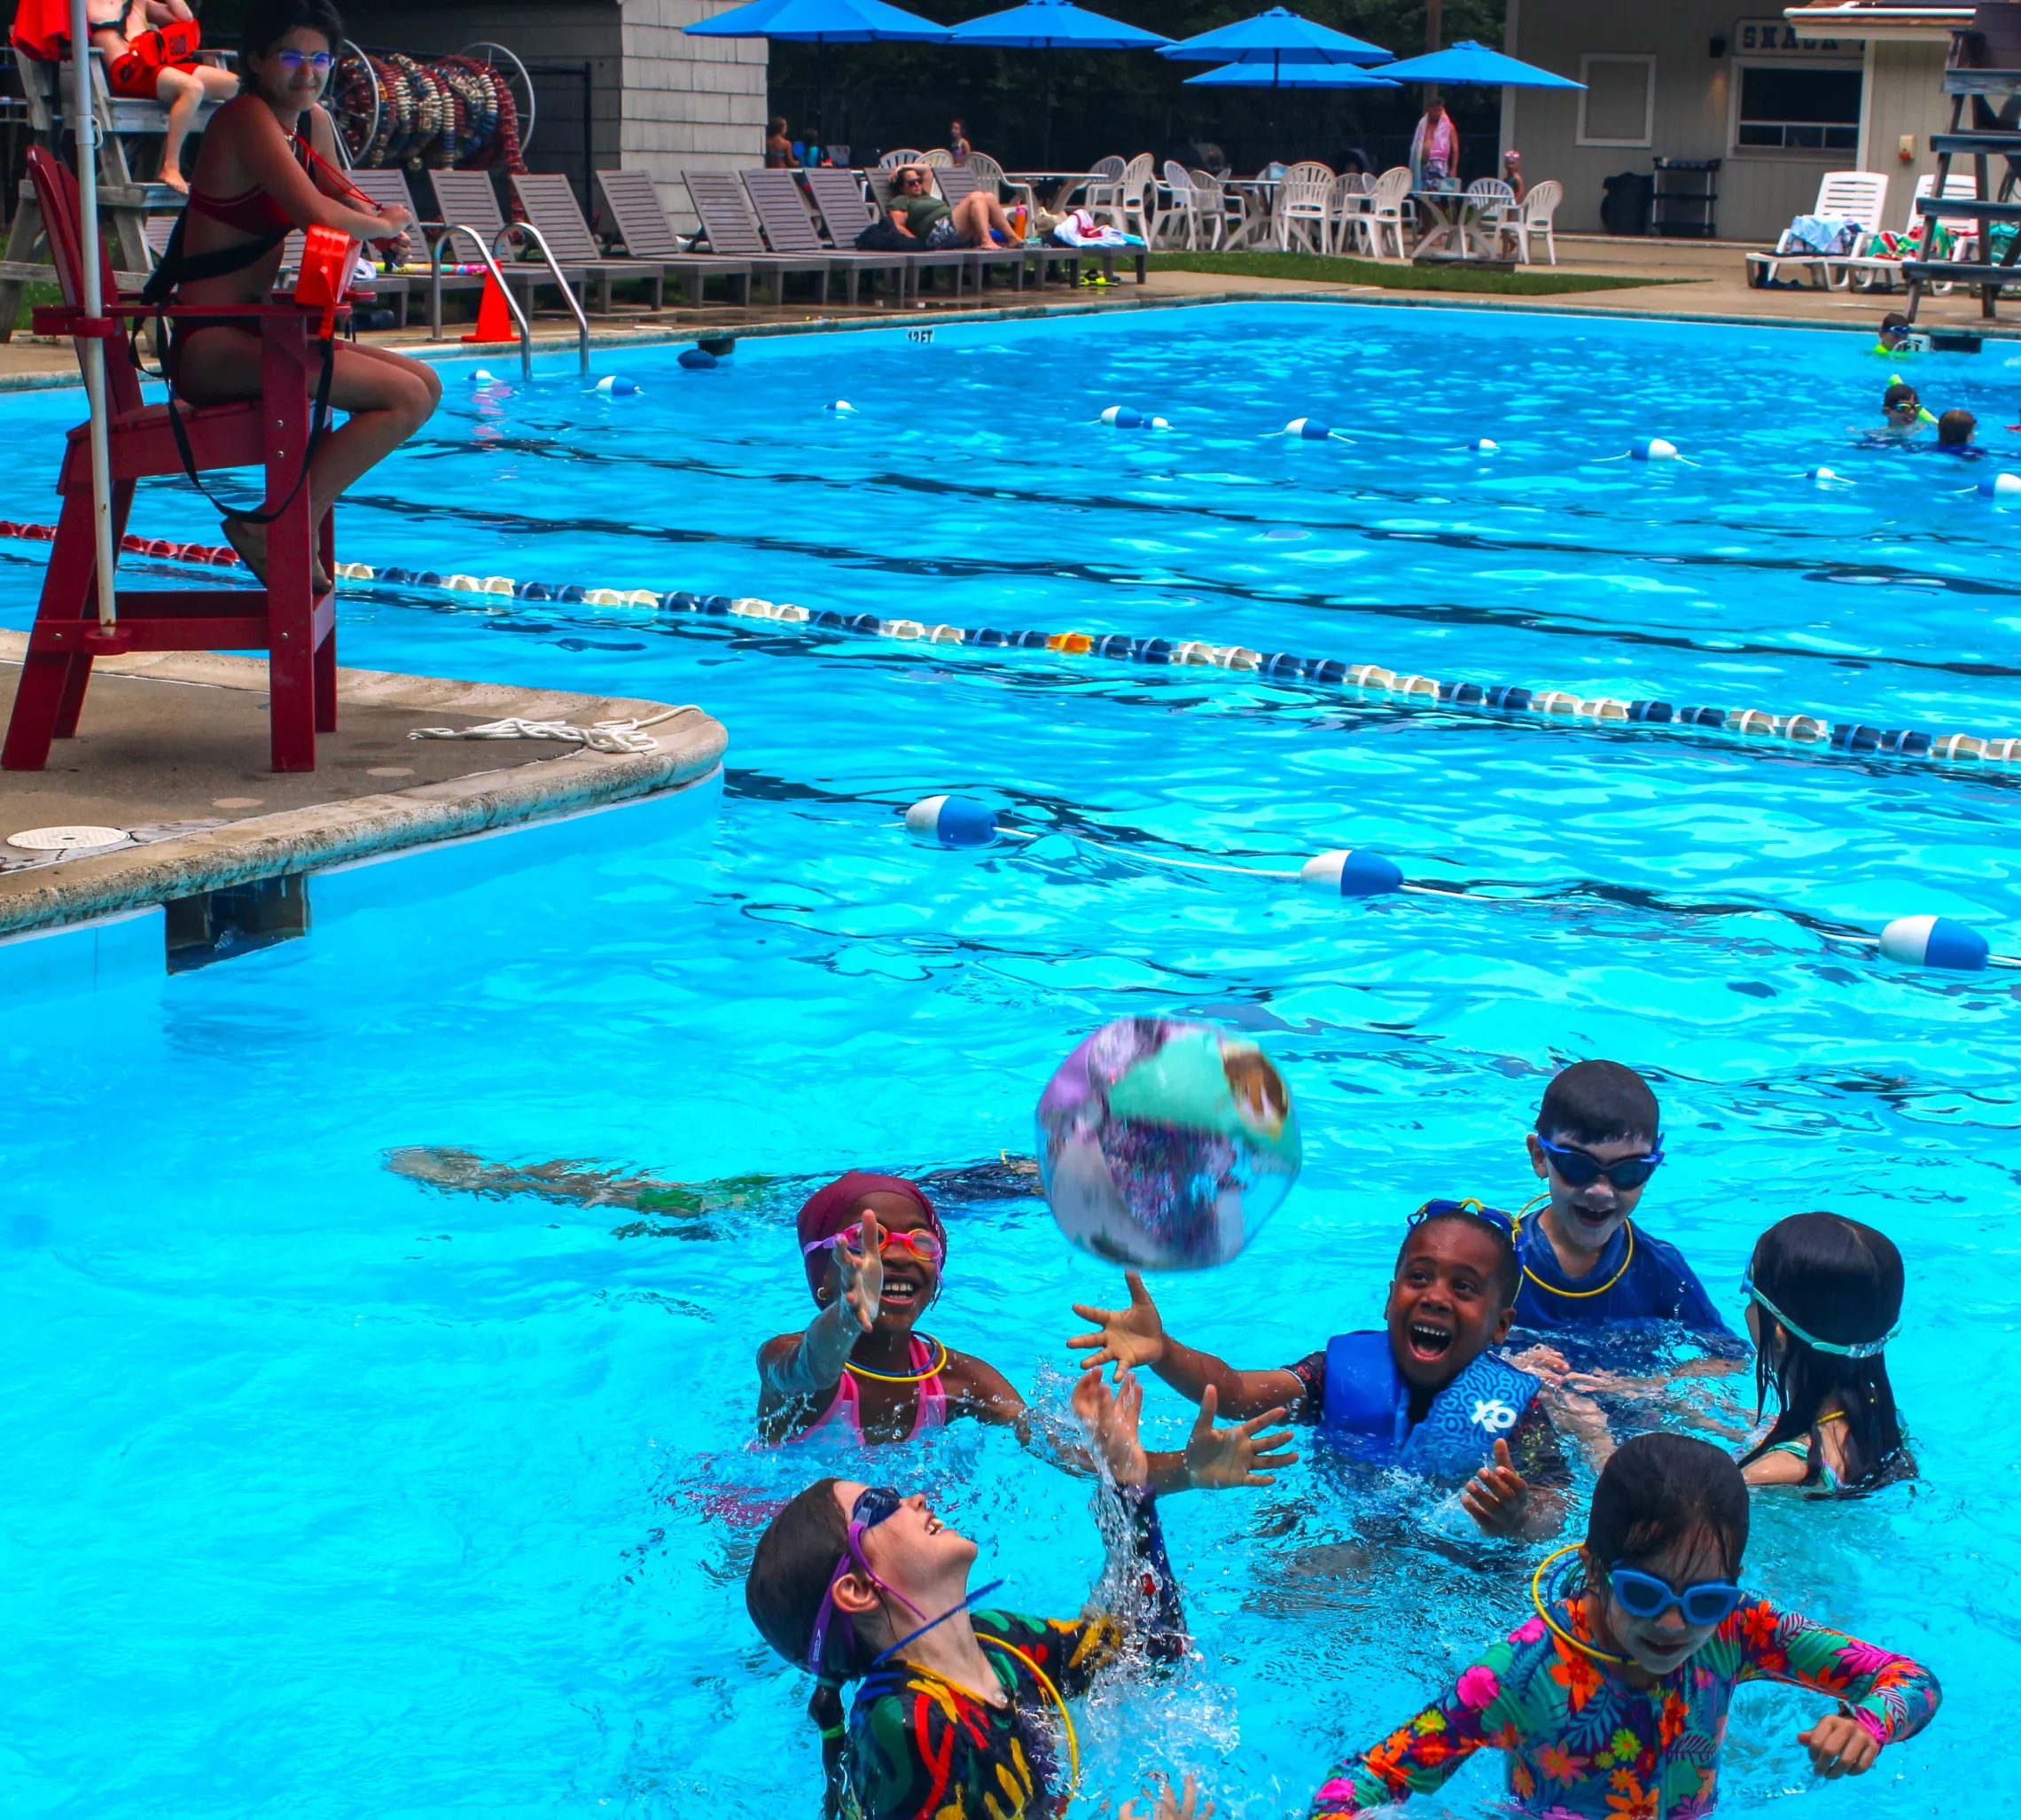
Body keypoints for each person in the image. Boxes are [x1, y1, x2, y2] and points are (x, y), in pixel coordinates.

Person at [1308, 1432, 1942, 1816]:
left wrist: (1868, 1724)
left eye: (1703, 1599)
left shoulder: (1736, 1626)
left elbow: (1910, 1678)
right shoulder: (1521, 1674)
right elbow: (1356, 1787)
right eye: (1643, 1593)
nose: (1674, 1622)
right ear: (1595, 1569)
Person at [745, 1367, 1190, 1820]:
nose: (914, 1499)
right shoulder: (907, 1727)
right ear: (858, 1589)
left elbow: (1151, 1652)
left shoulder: (998, 1641)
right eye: (878, 1505)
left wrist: (1129, 1492)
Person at [761, 1170, 1298, 1496]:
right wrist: (848, 1313)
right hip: (774, 1537)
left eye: (920, 1242)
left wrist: (1186, 1469)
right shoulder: (783, 1358)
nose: (897, 1258)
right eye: (869, 1243)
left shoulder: (960, 1379)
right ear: (823, 1279)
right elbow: (815, 1365)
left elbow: (1063, 1451)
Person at [1068, 1202, 1574, 1537]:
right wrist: (1163, 1350)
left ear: (1501, 1325)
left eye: (1464, 1288)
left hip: (1455, 1561)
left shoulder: (1519, 1410)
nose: (1435, 1297)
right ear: (1389, 1299)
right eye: (1419, 1278)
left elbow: (1556, 1505)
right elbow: (1235, 1391)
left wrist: (1518, 1517)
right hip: (1345, 1531)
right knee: (1296, 1582)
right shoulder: (1334, 1374)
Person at [160, 0, 439, 585]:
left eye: (320, 59)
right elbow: (317, 214)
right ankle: (281, 523)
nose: (307, 72)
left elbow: (343, 199)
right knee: (404, 399)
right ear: (256, 61)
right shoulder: (244, 117)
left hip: (261, 332)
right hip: (211, 346)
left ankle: (284, 520)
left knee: (426, 385)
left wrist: (376, 225)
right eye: (291, 57)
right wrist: (384, 224)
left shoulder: (309, 125)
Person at [1507, 1061, 1733, 1348]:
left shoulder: (1659, 1269)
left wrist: (1650, 1378)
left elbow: (1730, 1357)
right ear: (1540, 1157)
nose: (1601, 1191)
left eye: (1628, 1171)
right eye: (1577, 1166)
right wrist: (1514, 1364)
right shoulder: (1497, 1259)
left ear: (1650, 1171)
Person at [1737, 1213, 1912, 1493]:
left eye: (1751, 1297)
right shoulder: (1883, 1419)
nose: (1747, 1309)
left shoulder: (1767, 1475)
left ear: (1779, 1336)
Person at [87, 0, 236, 191]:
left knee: (236, 85)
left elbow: (185, 18)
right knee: (192, 88)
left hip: (157, 64)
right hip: (128, 69)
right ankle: (170, 167)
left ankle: (230, 162)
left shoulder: (140, 2)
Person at [875, 163, 1019, 251]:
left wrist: (902, 167)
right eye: (911, 182)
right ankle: (986, 240)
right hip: (936, 235)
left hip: (952, 230)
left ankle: (1013, 238)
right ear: (901, 187)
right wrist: (917, 244)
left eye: (918, 180)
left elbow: (927, 169)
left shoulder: (924, 194)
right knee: (976, 197)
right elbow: (897, 226)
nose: (917, 184)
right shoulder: (901, 200)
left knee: (988, 197)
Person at [1409, 98, 1459, 190]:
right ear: (1428, 110)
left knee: (1439, 193)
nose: (1436, 113)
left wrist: (1454, 168)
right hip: (1423, 166)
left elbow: (1455, 148)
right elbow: (1417, 144)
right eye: (1434, 111)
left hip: (1440, 167)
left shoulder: (1449, 126)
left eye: (1439, 110)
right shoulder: (1423, 126)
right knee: (1423, 194)